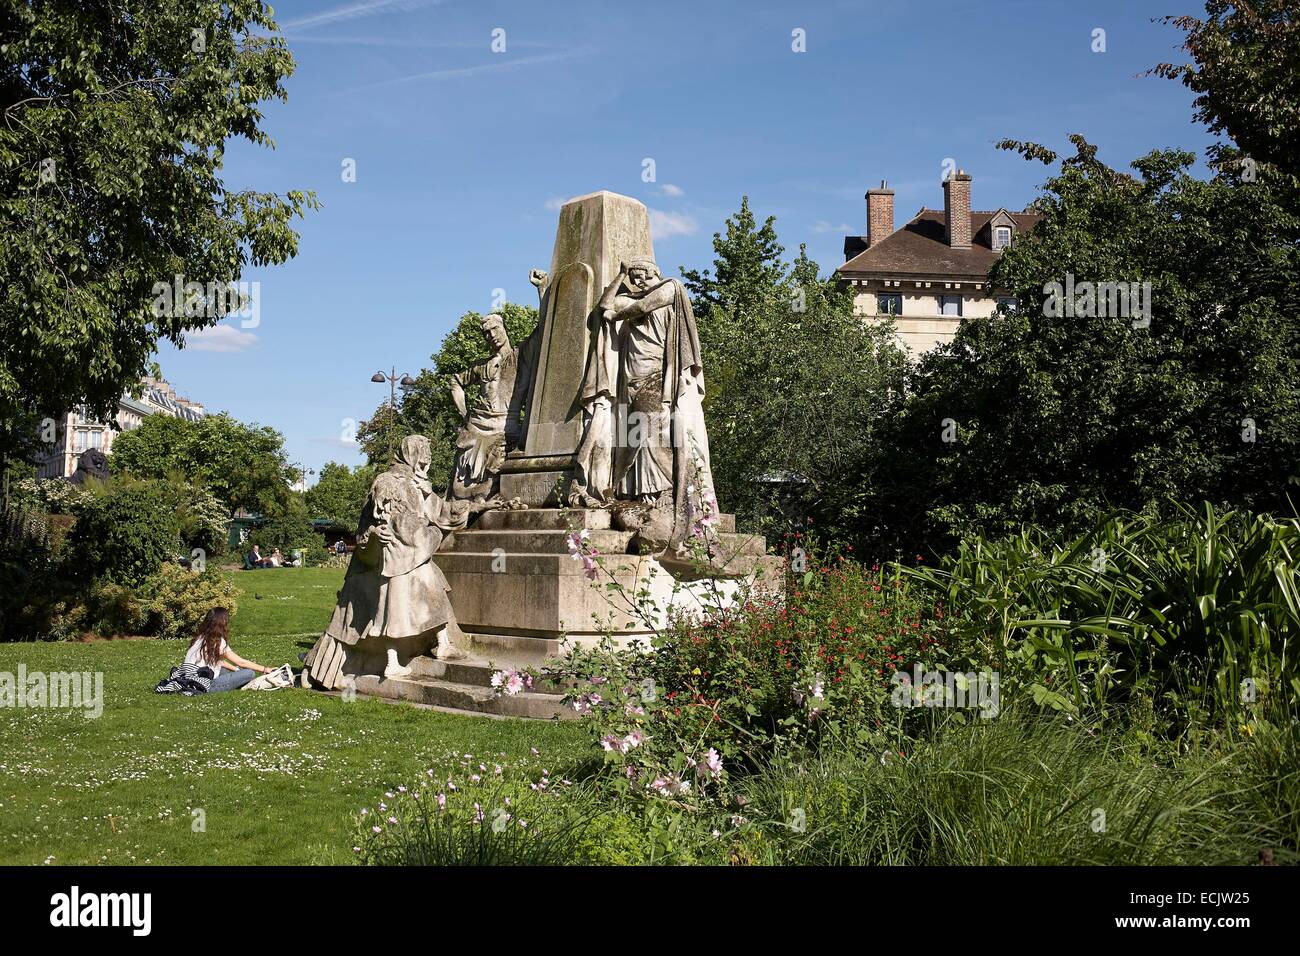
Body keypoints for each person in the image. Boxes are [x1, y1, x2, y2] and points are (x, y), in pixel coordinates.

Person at [184, 608, 273, 692]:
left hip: (187, 679)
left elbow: (218, 662)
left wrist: (236, 670)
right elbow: (241, 662)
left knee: (224, 670)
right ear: (223, 622)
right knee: (249, 673)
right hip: (203, 685)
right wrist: (265, 669)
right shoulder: (217, 641)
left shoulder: (200, 638)